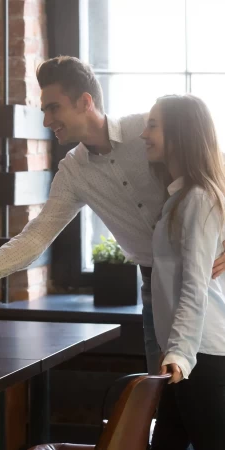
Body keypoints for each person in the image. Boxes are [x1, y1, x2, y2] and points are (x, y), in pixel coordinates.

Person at [0, 55, 225, 376]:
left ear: (85, 101)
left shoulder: (146, 132)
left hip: (208, 280)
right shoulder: (73, 172)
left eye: (54, 108)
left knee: (212, 388)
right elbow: (36, 236)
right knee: (163, 392)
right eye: (44, 111)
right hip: (155, 289)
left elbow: (213, 171)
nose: (47, 121)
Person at [140, 94, 225, 450]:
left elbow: (194, 286)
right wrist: (172, 351)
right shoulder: (180, 197)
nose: (144, 134)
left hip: (200, 355)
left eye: (153, 125)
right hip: (185, 353)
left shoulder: (198, 199)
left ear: (180, 133)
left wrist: (178, 353)